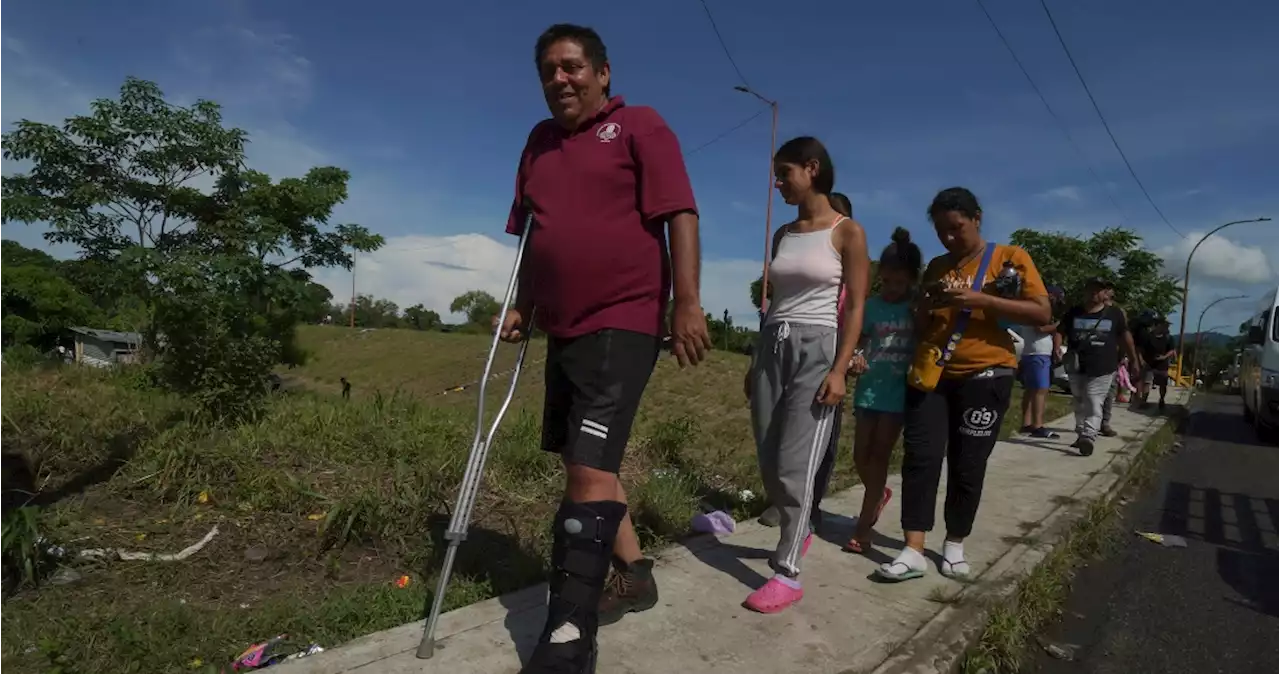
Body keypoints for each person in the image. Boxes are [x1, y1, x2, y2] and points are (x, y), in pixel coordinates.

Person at [496, 24, 712, 673]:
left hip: (624, 319)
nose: (559, 80)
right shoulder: (538, 144)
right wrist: (523, 305)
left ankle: (568, 635)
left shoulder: (641, 126)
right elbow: (534, 234)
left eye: (571, 67)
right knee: (581, 461)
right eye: (548, 72)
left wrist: (689, 302)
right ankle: (635, 572)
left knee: (589, 468)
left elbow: (680, 212)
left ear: (602, 72)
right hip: (564, 325)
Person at [877, 187, 1050, 583]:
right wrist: (926, 305)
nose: (949, 238)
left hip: (986, 374)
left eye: (956, 228)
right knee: (920, 458)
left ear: (977, 218)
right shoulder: (937, 267)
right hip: (933, 374)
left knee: (967, 464)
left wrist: (980, 300)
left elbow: (1042, 312)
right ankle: (913, 548)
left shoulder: (1010, 258)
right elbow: (924, 325)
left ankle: (954, 543)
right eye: (941, 231)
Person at [744, 137, 869, 612]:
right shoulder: (784, 234)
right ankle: (799, 531)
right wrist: (758, 358)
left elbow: (855, 306)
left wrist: (840, 368)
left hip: (818, 347)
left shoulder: (847, 232)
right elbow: (774, 301)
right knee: (768, 455)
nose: (778, 184)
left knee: (798, 463)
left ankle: (787, 571)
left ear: (812, 168)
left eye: (784, 174)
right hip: (773, 343)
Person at [758, 191, 856, 532]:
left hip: (827, 361)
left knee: (818, 447)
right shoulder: (798, 270)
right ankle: (786, 501)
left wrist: (844, 364)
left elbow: (860, 322)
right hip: (782, 351)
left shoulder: (844, 287)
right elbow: (775, 305)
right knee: (775, 439)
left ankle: (805, 512)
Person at [842, 227, 921, 554]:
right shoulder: (871, 306)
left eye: (899, 283)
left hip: (897, 394)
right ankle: (879, 493)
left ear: (912, 280)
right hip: (869, 389)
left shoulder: (917, 310)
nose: (891, 289)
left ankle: (863, 528)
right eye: (886, 282)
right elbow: (859, 341)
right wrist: (856, 358)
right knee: (860, 455)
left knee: (879, 456)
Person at [1057, 279, 1139, 457]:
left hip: (1103, 366)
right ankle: (1081, 431)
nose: (1094, 293)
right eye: (1090, 289)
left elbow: (1125, 336)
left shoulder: (1115, 314)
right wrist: (1057, 347)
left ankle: (1089, 435)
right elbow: (1060, 330)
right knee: (1079, 401)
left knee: (1094, 401)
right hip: (1077, 365)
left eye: (1098, 290)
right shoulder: (1074, 312)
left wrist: (1133, 359)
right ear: (1085, 292)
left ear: (1105, 294)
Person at [1015, 317, 1060, 439]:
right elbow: (1041, 329)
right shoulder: (1035, 313)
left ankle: (1027, 423)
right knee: (1040, 389)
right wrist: (1059, 324)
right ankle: (1037, 425)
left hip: (1035, 353)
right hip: (1037, 353)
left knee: (1031, 389)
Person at [1097, 295, 1123, 437]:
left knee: (1109, 393)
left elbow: (1123, 338)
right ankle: (1088, 425)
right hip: (1094, 361)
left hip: (1111, 362)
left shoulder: (1116, 318)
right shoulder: (1093, 317)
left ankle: (1104, 423)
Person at [1137, 315, 1175, 411]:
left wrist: (1165, 357)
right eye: (1165, 325)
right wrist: (1141, 360)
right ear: (1158, 325)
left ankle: (1161, 399)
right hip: (1149, 363)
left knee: (1163, 384)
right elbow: (1140, 349)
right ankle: (1144, 401)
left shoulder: (1169, 338)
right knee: (1147, 382)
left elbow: (1171, 350)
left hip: (1162, 364)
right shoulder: (1149, 336)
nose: (1166, 327)